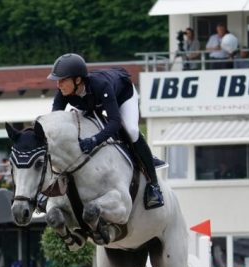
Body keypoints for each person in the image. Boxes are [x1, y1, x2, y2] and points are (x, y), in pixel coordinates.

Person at [47, 53, 164, 209]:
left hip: (123, 96)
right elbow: (54, 121)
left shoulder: (101, 85)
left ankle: (154, 186)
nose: (58, 85)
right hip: (93, 103)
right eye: (57, 81)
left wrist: (94, 140)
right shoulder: (63, 93)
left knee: (131, 130)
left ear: (77, 80)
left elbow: (115, 122)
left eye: (62, 80)